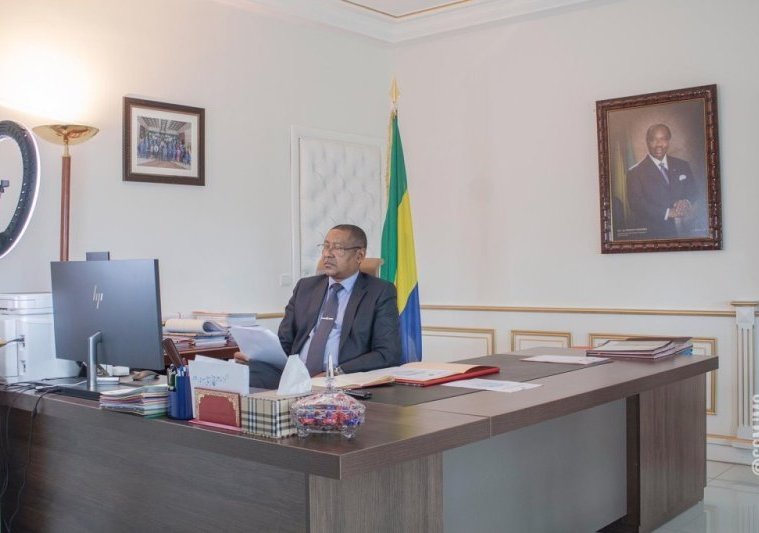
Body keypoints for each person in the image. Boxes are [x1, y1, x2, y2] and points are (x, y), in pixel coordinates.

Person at [238, 224, 401, 389]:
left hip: (340, 379)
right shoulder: (305, 287)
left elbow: (387, 353)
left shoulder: (380, 292)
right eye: (325, 246)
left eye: (338, 248)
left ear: (359, 255)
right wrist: (259, 356)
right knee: (241, 373)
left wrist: (336, 372)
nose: (327, 254)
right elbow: (285, 341)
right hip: (295, 374)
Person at [626, 123, 699, 238]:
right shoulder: (634, 172)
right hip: (653, 235)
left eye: (663, 139)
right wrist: (668, 212)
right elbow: (636, 204)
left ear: (668, 141)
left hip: (686, 231)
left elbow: (693, 190)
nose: (659, 144)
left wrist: (686, 201)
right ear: (647, 142)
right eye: (653, 140)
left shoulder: (682, 165)